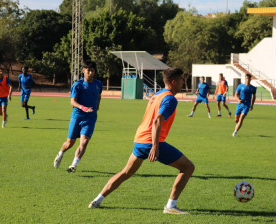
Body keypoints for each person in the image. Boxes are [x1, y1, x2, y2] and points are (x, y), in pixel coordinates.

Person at [88, 68, 195, 215]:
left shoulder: (157, 95)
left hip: (140, 139)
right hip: (151, 141)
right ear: (173, 82)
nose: (184, 82)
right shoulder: (170, 99)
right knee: (188, 167)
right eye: (182, 79)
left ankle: (97, 199)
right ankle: (171, 206)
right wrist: (156, 147)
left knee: (125, 172)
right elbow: (157, 120)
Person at [53, 60, 103, 173]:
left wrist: (97, 106)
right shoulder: (78, 85)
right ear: (83, 71)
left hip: (90, 118)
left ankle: (73, 165)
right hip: (77, 116)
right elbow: (72, 102)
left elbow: (99, 96)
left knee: (84, 141)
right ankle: (60, 153)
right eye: (88, 70)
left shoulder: (98, 84)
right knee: (70, 143)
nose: (90, 73)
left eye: (93, 71)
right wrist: (83, 107)